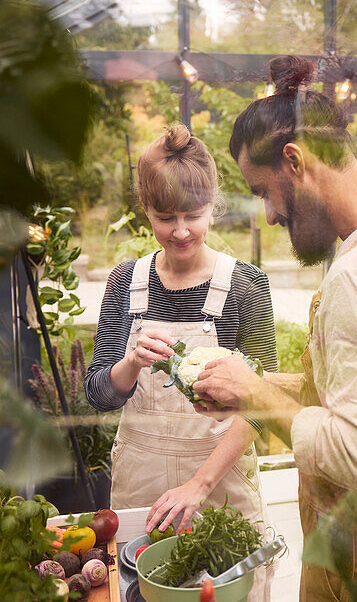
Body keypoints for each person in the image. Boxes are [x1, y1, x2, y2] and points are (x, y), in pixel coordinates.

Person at [192, 56, 357, 601]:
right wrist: (253, 389)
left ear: (295, 160)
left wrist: (259, 395)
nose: (267, 215)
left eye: (263, 191)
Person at [83, 124, 276, 602]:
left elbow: (264, 406)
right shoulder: (124, 284)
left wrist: (198, 483)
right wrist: (128, 363)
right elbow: (97, 394)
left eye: (194, 214)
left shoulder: (247, 286)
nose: (182, 230)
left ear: (214, 206)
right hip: (140, 491)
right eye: (166, 217)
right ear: (145, 210)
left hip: (220, 488)